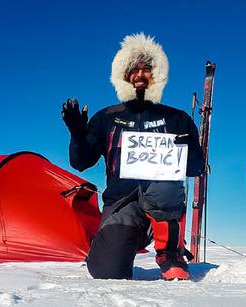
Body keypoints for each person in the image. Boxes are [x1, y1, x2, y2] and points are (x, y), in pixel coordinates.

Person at [61, 33, 204, 280]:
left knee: (163, 186)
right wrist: (77, 134)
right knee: (107, 272)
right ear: (124, 75)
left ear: (156, 73)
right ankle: (112, 245)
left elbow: (196, 167)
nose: (139, 75)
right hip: (121, 202)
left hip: (164, 205)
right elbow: (81, 162)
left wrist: (185, 150)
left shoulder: (177, 118)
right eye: (133, 69)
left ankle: (170, 252)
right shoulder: (106, 117)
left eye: (146, 69)